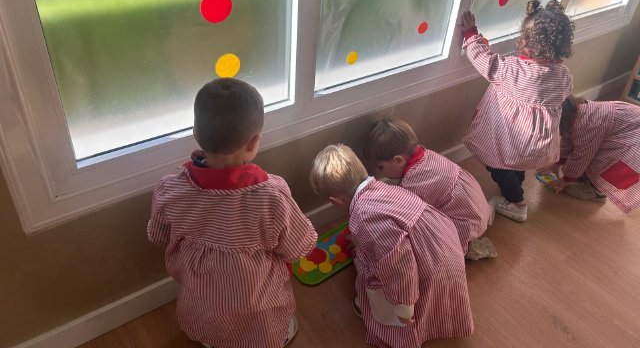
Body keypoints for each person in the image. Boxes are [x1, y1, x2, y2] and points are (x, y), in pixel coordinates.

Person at [147, 78, 317, 348]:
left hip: (202, 306)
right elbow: (299, 246)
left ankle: (216, 341)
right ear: (253, 143)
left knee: (211, 320)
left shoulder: (169, 190)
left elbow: (157, 236)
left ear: (195, 132)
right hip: (257, 309)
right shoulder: (271, 196)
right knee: (265, 317)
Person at [310, 144, 474, 348]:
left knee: (375, 278)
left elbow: (400, 266)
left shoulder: (364, 217)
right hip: (446, 246)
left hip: (432, 269)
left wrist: (404, 307)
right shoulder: (383, 188)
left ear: (336, 201)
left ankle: (405, 321)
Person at [459, 0, 574, 222]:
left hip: (512, 140)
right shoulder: (564, 76)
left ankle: (517, 204)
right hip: (534, 144)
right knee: (515, 165)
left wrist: (471, 34)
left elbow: (484, 60)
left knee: (497, 166)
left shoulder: (513, 70)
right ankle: (516, 186)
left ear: (527, 43)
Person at [364, 117, 495, 260]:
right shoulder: (427, 154)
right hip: (477, 207)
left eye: (381, 167)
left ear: (399, 160)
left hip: (466, 223)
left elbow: (411, 218)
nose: (380, 172)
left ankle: (470, 245)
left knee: (429, 241)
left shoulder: (413, 183)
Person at [550, 95, 640, 213]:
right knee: (589, 151)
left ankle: (597, 191)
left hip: (634, 146)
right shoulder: (579, 112)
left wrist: (565, 180)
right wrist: (557, 164)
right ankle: (587, 177)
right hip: (628, 130)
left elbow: (581, 157)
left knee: (598, 156)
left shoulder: (587, 124)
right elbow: (568, 139)